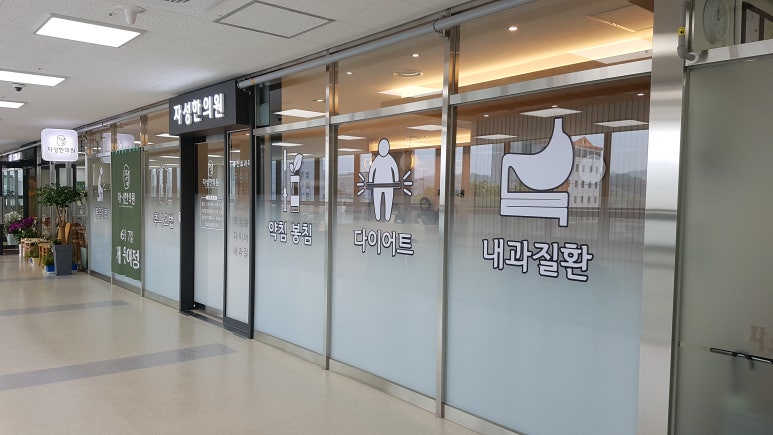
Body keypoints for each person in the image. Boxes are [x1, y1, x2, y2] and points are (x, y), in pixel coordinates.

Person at [369, 138, 399, 221]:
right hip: (377, 184)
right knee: (377, 200)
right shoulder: (377, 159)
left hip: (389, 184)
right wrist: (370, 181)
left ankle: (387, 217)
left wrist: (396, 181)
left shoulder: (390, 159)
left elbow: (395, 169)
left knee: (388, 201)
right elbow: (372, 170)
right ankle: (377, 216)